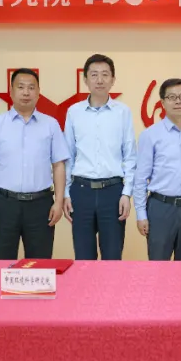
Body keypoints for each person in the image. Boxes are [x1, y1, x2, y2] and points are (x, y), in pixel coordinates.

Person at [0, 69, 69, 260]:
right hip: (4, 205)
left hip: (41, 205)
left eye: (31, 87)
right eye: (20, 87)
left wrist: (58, 202)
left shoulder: (51, 125)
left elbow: (58, 166)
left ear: (38, 92)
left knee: (39, 264)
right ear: (11, 91)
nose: (26, 92)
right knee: (3, 263)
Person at [63, 54, 136, 260]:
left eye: (105, 74)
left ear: (113, 79)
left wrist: (126, 194)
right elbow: (68, 156)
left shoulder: (123, 112)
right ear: (85, 79)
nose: (100, 80)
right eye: (94, 75)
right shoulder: (74, 112)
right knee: (83, 257)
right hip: (81, 191)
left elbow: (130, 156)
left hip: (113, 193)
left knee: (112, 257)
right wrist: (66, 193)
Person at [133, 78, 181, 261]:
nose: (178, 101)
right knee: (158, 267)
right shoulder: (150, 135)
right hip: (161, 208)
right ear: (163, 102)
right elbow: (140, 178)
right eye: (172, 97)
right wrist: (141, 214)